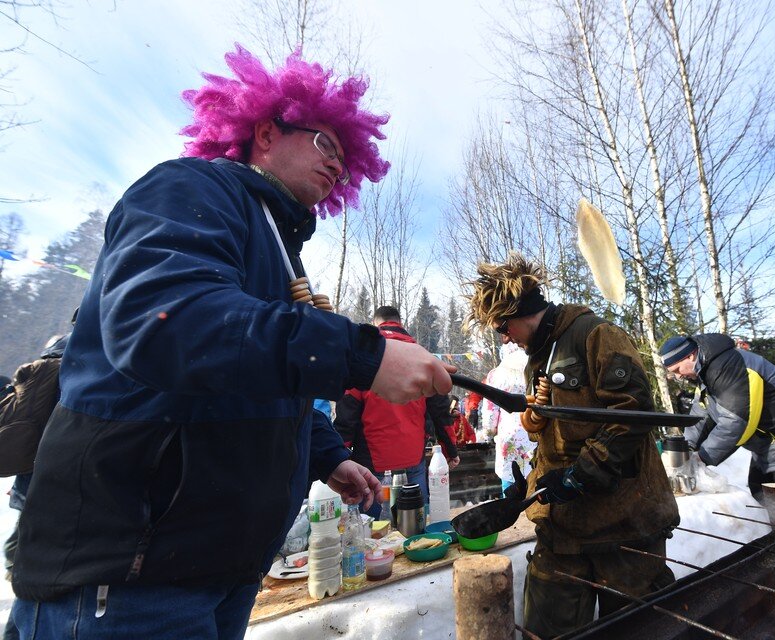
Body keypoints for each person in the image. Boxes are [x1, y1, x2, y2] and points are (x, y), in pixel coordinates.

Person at [10, 46, 454, 639]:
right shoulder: (188, 189)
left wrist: (328, 455)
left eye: (345, 165)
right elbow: (169, 323)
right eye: (326, 144)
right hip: (126, 583)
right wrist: (364, 355)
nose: (335, 169)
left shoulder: (277, 246)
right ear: (267, 132)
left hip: (219, 573)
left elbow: (253, 377)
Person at [466, 253, 679, 638]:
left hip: (625, 524)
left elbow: (632, 412)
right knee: (546, 629)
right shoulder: (538, 359)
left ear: (521, 311)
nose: (504, 336)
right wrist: (531, 482)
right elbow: (552, 431)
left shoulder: (596, 335)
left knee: (639, 629)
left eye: (503, 326)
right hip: (564, 528)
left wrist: (584, 472)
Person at [660, 333, 775, 509]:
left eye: (677, 370)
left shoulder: (728, 366)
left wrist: (702, 457)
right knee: (761, 500)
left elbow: (736, 421)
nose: (678, 377)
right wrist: (687, 448)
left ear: (690, 356)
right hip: (771, 445)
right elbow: (700, 415)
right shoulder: (705, 373)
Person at [334, 306, 459, 518]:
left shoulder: (362, 360)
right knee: (418, 526)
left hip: (371, 464)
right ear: (399, 323)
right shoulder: (422, 358)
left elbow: (346, 414)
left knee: (375, 535)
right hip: (413, 458)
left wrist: (337, 457)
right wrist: (451, 451)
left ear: (376, 324)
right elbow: (440, 411)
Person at [1, 332, 69, 640]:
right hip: (62, 493)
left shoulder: (45, 368)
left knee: (30, 590)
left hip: (36, 484)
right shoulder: (90, 366)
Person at [480, 342, 537, 496]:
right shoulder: (537, 368)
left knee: (509, 479)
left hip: (509, 435)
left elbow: (490, 411)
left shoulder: (496, 375)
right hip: (535, 429)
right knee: (537, 477)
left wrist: (488, 433)